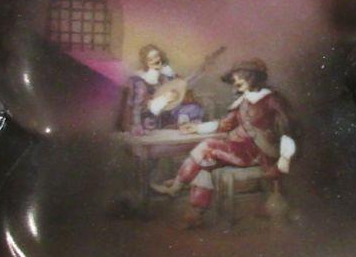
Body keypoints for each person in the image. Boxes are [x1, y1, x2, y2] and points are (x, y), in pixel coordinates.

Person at [153, 59, 296, 225]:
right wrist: (196, 128)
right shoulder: (243, 101)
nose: (235, 83)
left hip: (257, 153)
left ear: (253, 78)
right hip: (238, 150)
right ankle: (195, 213)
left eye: (240, 78)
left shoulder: (271, 99)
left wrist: (284, 158)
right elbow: (225, 124)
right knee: (205, 163)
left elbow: (288, 129)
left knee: (207, 147)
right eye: (235, 80)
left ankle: (176, 187)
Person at [120, 44, 204, 134]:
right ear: (146, 63)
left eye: (156, 56)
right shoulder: (138, 81)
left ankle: (184, 125)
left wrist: (201, 71)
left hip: (165, 116)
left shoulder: (165, 77)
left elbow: (183, 83)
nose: (155, 61)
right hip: (148, 119)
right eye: (150, 59)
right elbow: (137, 107)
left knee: (194, 108)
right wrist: (164, 99)